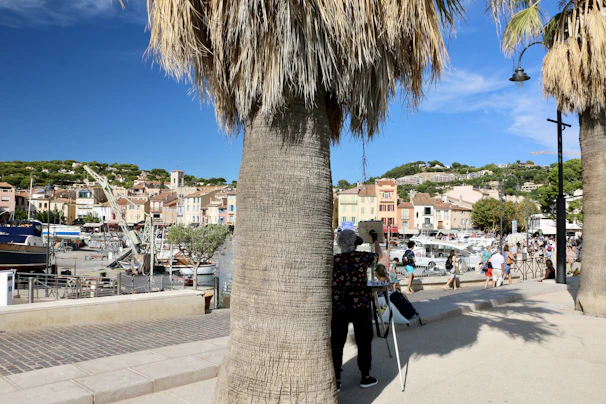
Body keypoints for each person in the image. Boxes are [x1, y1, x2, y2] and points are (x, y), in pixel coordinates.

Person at [332, 229, 381, 392]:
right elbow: (379, 256)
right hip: (360, 305)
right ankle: (366, 376)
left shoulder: (335, 260)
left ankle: (337, 380)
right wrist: (375, 241)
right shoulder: (362, 257)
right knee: (364, 341)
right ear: (355, 243)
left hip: (339, 306)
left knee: (337, 343)